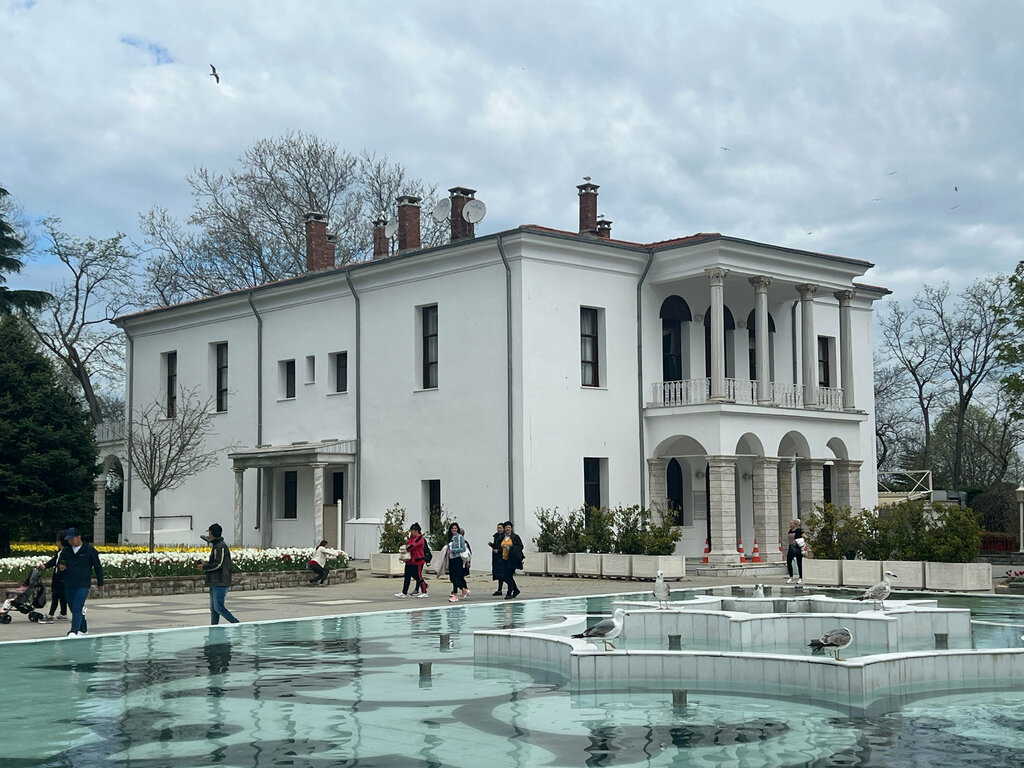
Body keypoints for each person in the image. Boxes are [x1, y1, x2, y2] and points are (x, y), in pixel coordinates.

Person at [58, 527, 103, 637]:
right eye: (68, 540)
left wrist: (100, 582)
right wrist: (61, 567)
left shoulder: (89, 550)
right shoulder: (66, 551)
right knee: (73, 608)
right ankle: (83, 629)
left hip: (82, 584)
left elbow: (97, 567)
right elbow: (60, 563)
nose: (70, 542)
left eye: (72, 539)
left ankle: (74, 631)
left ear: (79, 537)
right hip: (69, 583)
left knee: (77, 607)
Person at [199, 523, 240, 624]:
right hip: (215, 581)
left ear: (212, 533)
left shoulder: (220, 546)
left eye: (209, 532)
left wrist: (204, 567)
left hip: (220, 581)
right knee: (213, 608)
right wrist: (206, 563)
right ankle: (214, 628)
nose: (208, 535)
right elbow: (216, 562)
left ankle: (236, 623)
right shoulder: (216, 545)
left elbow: (218, 564)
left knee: (219, 607)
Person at [395, 523, 429, 598]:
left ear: (416, 531)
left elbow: (412, 546)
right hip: (410, 560)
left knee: (418, 576)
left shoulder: (420, 538)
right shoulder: (411, 538)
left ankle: (424, 591)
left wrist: (406, 549)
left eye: (412, 531)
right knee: (407, 576)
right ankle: (404, 592)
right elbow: (409, 545)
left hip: (418, 561)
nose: (411, 532)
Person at [42, 530, 69, 622]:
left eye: (57, 541)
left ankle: (50, 614)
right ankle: (63, 613)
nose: (56, 543)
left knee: (56, 595)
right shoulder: (60, 552)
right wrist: (45, 566)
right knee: (62, 596)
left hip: (62, 577)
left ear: (61, 541)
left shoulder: (66, 552)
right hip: (57, 577)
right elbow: (54, 561)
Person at [499, 521, 524, 600]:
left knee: (509, 576)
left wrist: (511, 549)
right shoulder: (503, 537)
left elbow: (520, 546)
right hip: (504, 559)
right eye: (506, 527)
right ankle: (516, 590)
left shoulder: (515, 537)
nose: (507, 529)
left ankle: (509, 592)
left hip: (512, 560)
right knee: (505, 576)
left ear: (511, 528)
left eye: (508, 527)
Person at [446, 523, 471, 602]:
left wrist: (453, 550)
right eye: (452, 528)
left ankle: (459, 592)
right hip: (451, 559)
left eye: (455, 528)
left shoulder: (460, 537)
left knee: (455, 577)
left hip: (457, 558)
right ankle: (459, 592)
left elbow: (463, 549)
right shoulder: (451, 538)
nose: (454, 530)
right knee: (452, 577)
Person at [786, 519, 804, 584]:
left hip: (797, 548)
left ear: (795, 524)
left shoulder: (799, 531)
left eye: (791, 523)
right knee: (789, 562)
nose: (790, 525)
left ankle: (801, 577)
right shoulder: (790, 531)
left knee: (799, 563)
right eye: (790, 523)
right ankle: (791, 577)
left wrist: (800, 542)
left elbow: (805, 537)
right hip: (791, 548)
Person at [489, 523, 506, 596]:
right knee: (499, 575)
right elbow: (496, 546)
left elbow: (505, 548)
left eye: (500, 528)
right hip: (496, 558)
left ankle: (504, 589)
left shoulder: (505, 537)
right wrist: (492, 545)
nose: (499, 529)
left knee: (503, 575)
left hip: (502, 558)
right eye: (498, 528)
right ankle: (499, 590)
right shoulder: (496, 536)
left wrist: (498, 551)